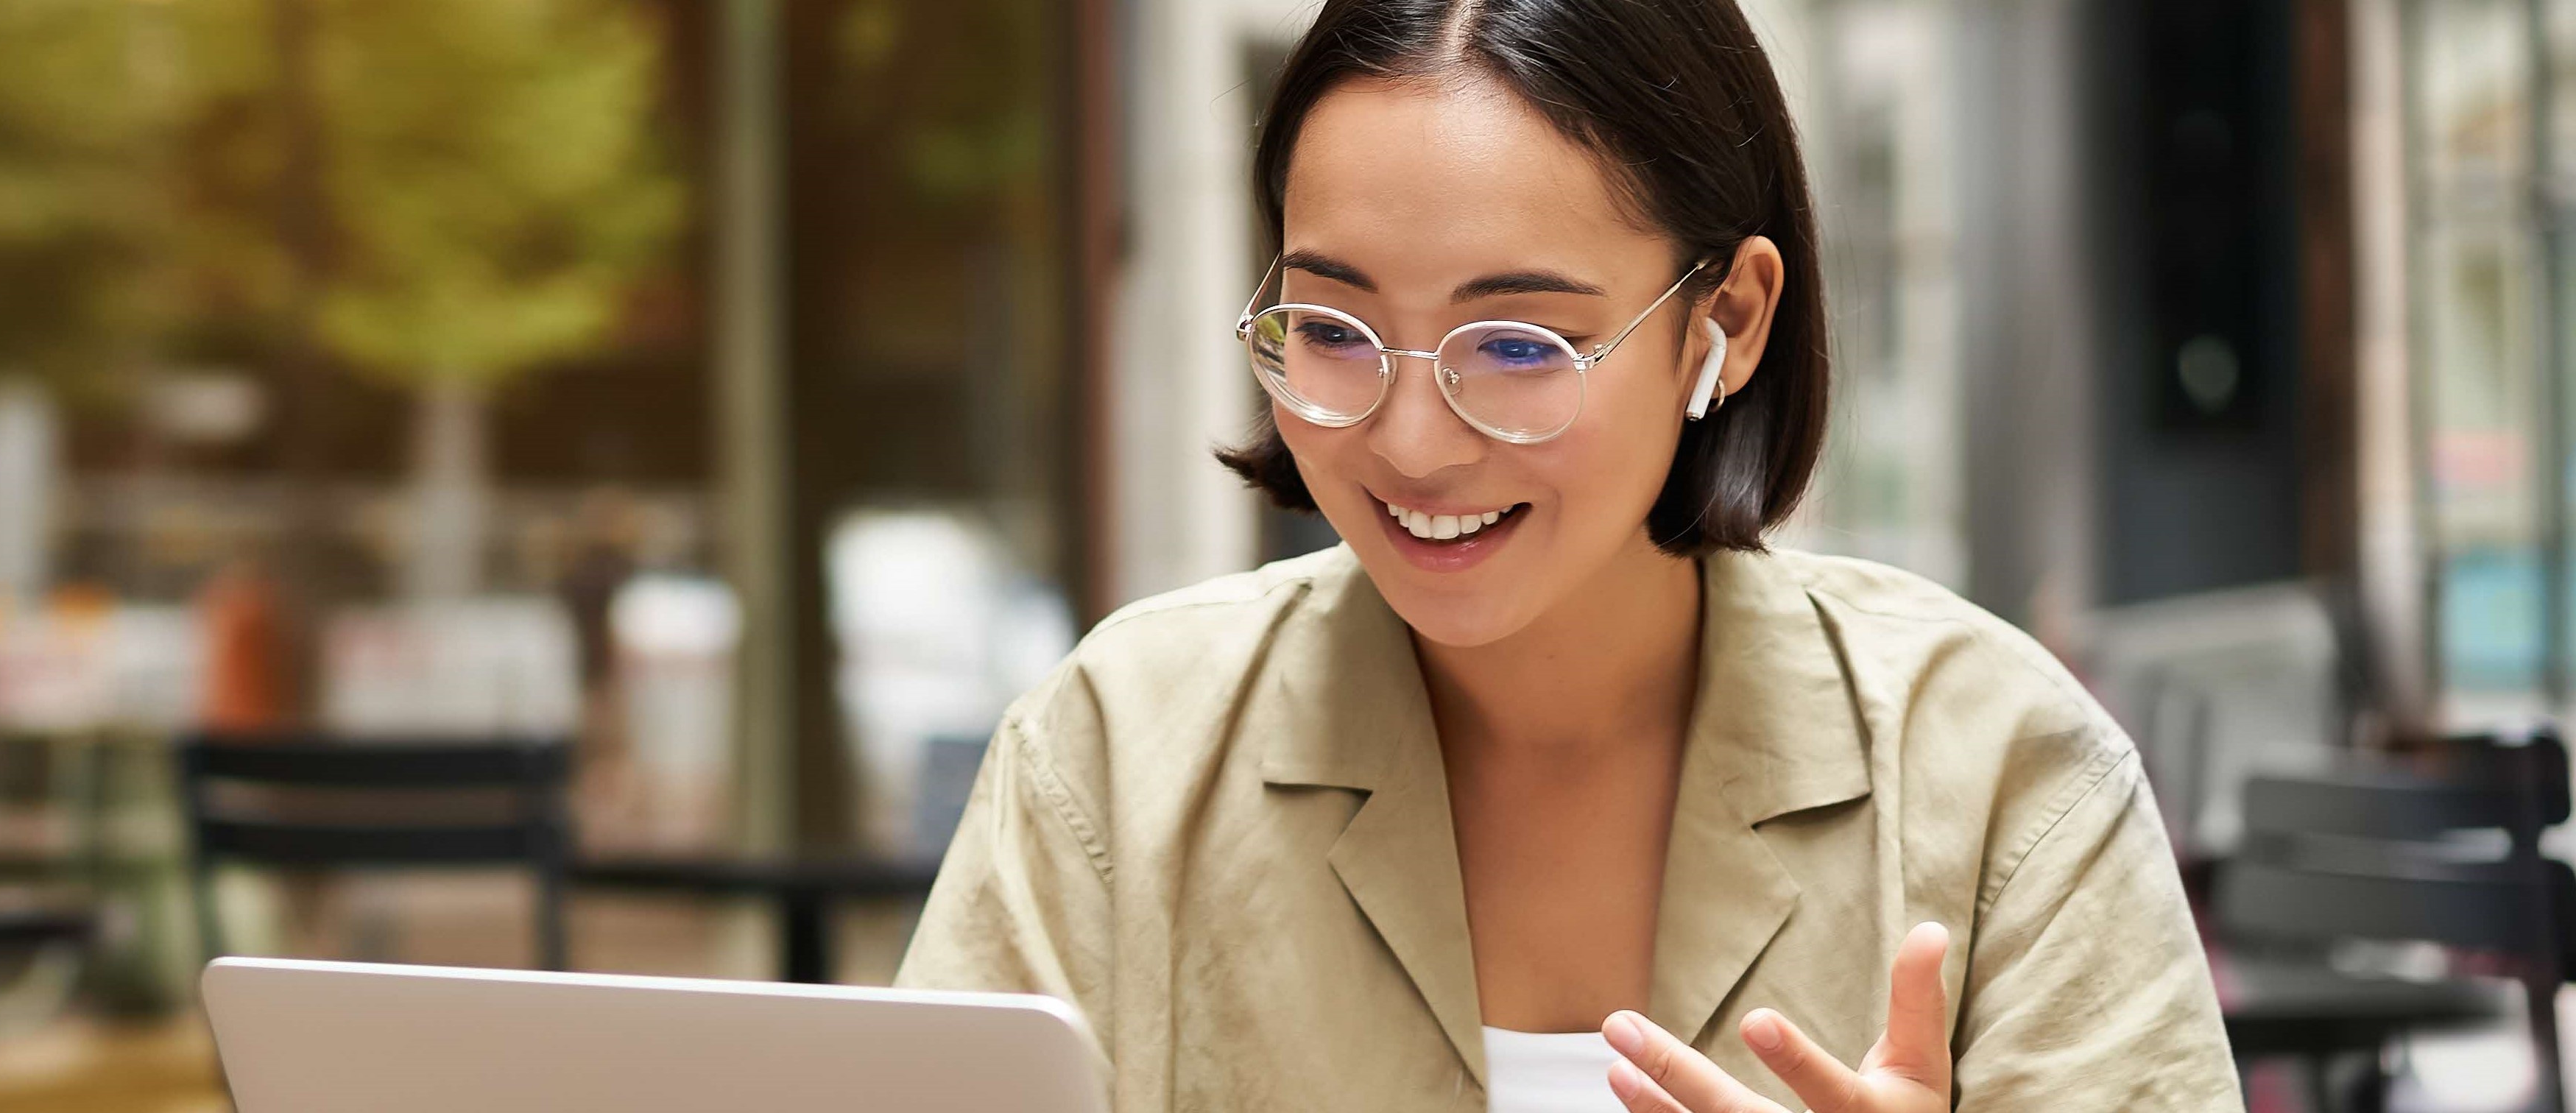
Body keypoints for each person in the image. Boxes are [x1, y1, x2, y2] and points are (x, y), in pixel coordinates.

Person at [891, 1, 2237, 1109]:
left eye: (1519, 346)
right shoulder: (1117, 756)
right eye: (1333, 330)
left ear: (1729, 319)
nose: (1410, 444)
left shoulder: (2004, 778)